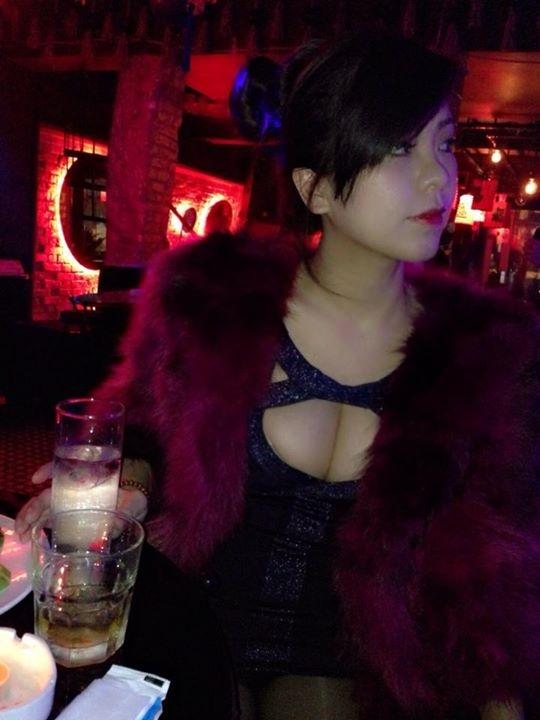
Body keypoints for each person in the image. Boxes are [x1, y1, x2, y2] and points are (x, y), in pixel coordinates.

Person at [16, 32, 540, 720]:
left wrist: (503, 701)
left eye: (443, 143)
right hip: (192, 613)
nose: (439, 178)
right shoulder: (211, 303)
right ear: (314, 188)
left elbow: (497, 563)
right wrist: (125, 489)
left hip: (354, 655)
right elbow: (143, 433)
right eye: (396, 149)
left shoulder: (487, 355)